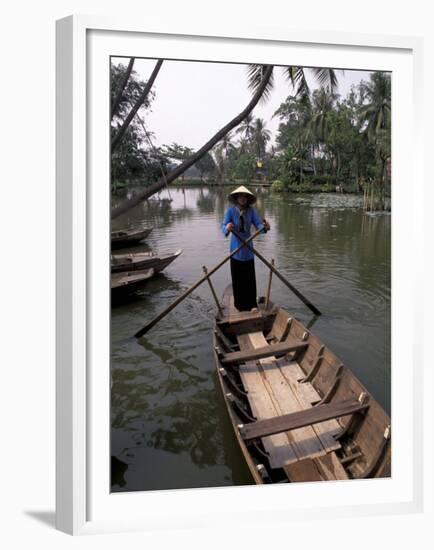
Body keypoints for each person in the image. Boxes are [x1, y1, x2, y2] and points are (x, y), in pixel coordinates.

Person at [221, 185, 270, 312]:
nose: (243, 198)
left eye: (245, 196)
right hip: (236, 250)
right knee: (238, 279)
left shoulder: (251, 211)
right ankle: (240, 306)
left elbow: (258, 224)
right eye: (241, 196)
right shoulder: (230, 211)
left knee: (249, 278)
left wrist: (264, 227)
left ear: (248, 198)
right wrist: (227, 228)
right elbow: (223, 225)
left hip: (248, 249)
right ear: (237, 198)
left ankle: (251, 305)